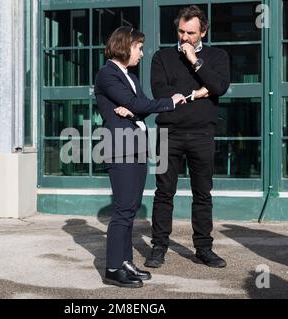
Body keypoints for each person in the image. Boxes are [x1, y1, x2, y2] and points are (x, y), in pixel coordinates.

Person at [94, 26, 187, 288]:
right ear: (125, 46)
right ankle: (113, 268)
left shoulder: (130, 78)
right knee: (123, 211)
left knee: (131, 209)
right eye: (139, 48)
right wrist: (169, 101)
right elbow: (139, 105)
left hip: (136, 147)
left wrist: (133, 110)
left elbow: (140, 107)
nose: (142, 54)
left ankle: (124, 262)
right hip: (120, 147)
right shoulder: (107, 74)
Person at [145, 5, 230, 269]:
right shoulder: (161, 57)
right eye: (181, 31)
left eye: (191, 33)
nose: (184, 38)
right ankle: (159, 246)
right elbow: (162, 93)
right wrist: (199, 92)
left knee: (203, 193)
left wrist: (195, 60)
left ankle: (203, 248)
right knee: (163, 192)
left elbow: (219, 87)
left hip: (203, 133)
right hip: (168, 133)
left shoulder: (217, 56)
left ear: (203, 31)